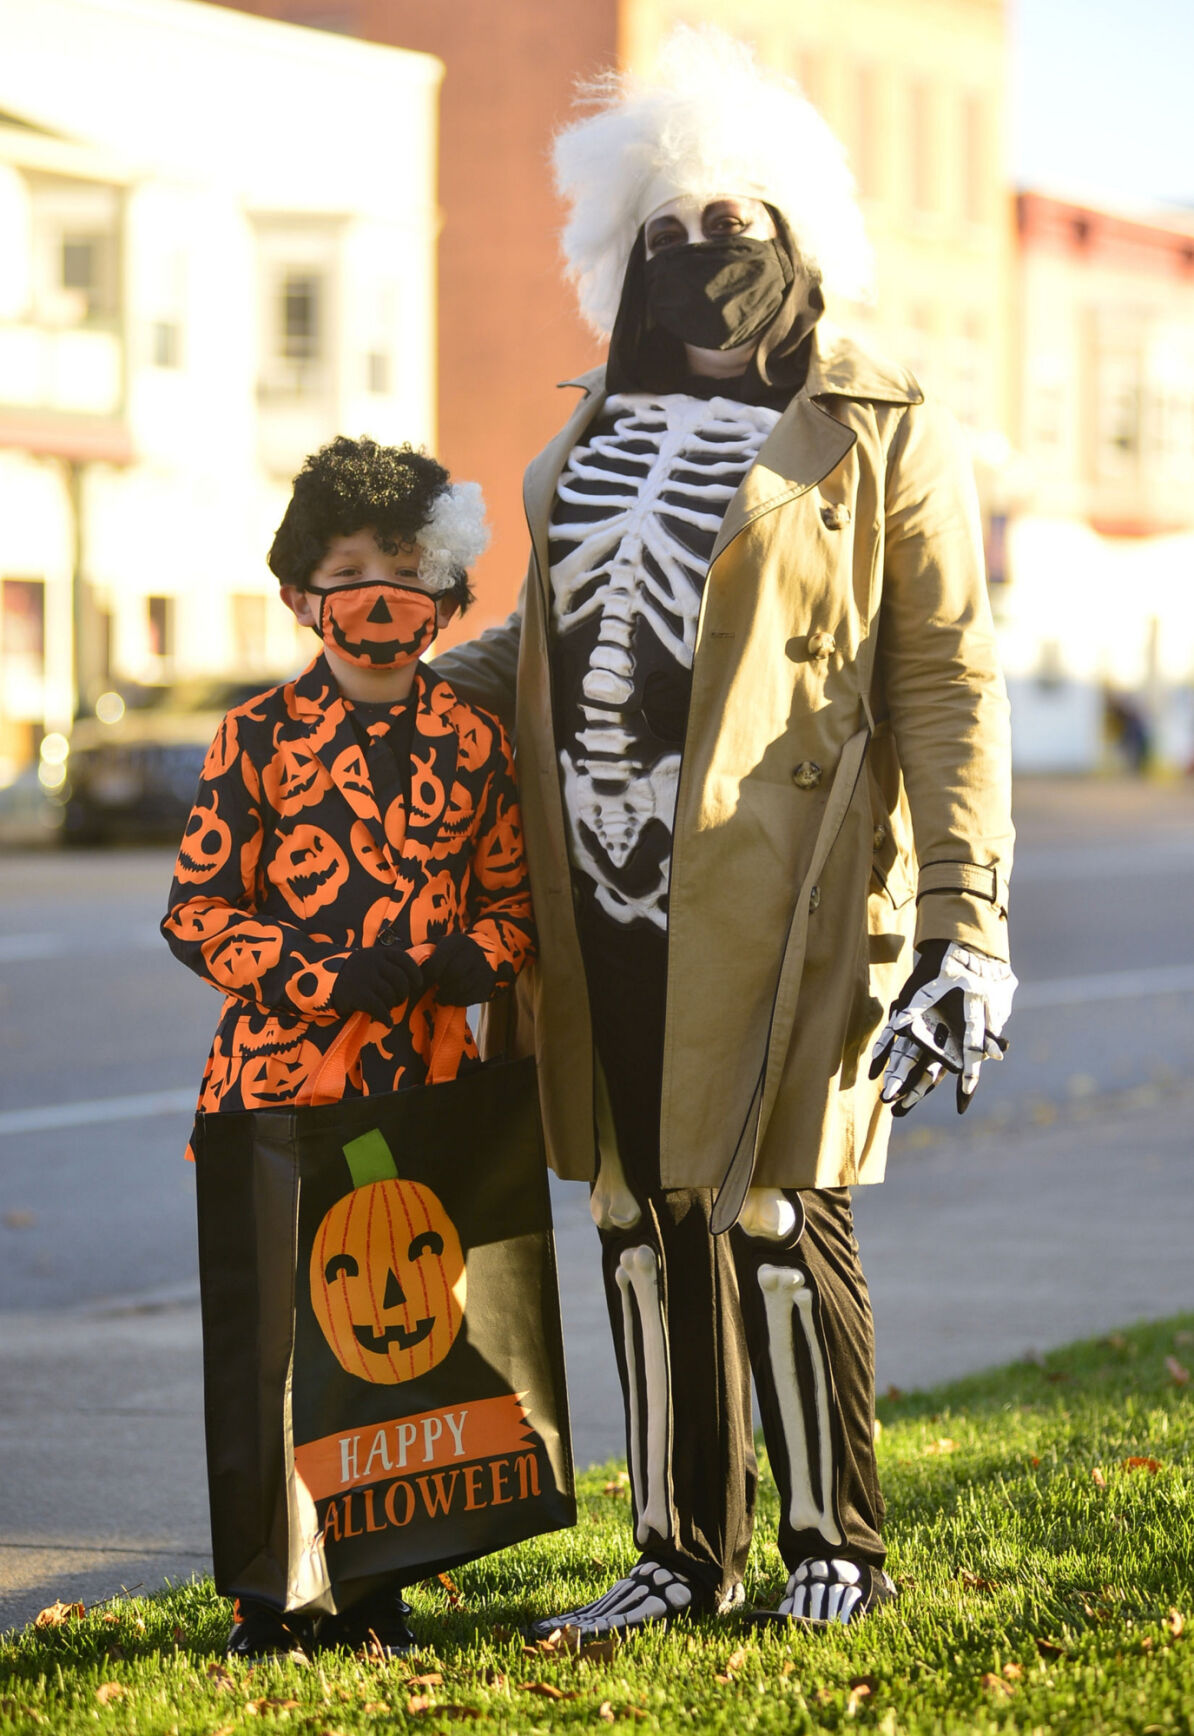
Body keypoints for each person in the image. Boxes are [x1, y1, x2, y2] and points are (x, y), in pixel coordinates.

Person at [433, 27, 1016, 1635]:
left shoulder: (878, 426)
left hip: (787, 887)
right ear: (623, 256)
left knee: (771, 1207)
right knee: (638, 1212)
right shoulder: (584, 441)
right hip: (598, 882)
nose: (701, 261)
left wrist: (968, 921)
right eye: (668, 237)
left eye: (730, 228)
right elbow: (543, 648)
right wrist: (384, 677)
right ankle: (678, 1553)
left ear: (796, 234)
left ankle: (835, 1540)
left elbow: (946, 683)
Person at [162, 436, 535, 1659]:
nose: (377, 595)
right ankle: (273, 1595)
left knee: (397, 1342)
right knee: (272, 1347)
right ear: (298, 594)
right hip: (275, 1092)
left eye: (401, 568)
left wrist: (480, 953)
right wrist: (319, 973)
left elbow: (512, 900)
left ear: (444, 593)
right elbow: (198, 913)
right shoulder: (255, 739)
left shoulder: (478, 745)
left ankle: (377, 1579)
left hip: (420, 1090)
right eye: (347, 570)